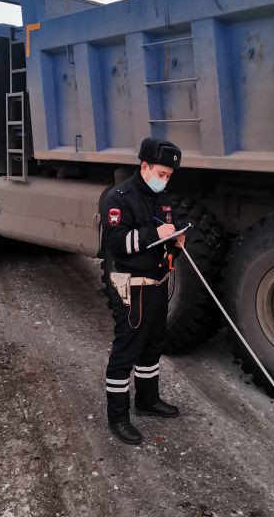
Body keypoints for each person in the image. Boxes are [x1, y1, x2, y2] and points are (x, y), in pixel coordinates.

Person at [100, 137, 186, 445]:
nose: (164, 180)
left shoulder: (160, 199)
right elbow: (116, 244)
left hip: (158, 284)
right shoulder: (118, 197)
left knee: (152, 345)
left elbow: (165, 227)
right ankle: (118, 416)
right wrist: (155, 233)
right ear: (145, 166)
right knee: (127, 349)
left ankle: (147, 400)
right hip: (131, 286)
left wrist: (175, 239)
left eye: (169, 176)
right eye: (161, 173)